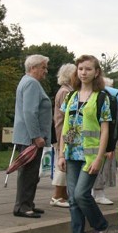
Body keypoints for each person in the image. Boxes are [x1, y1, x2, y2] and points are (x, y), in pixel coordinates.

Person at [58, 55, 112, 233]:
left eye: (88, 69)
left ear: (96, 72)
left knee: (81, 194)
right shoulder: (71, 97)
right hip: (71, 153)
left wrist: (100, 157)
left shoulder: (102, 98)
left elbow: (105, 130)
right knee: (73, 198)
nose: (83, 72)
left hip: (90, 156)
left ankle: (100, 225)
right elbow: (66, 127)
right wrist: (61, 154)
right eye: (80, 68)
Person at [12, 54, 52, 218]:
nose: (46, 71)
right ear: (33, 68)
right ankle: (22, 206)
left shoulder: (26, 81)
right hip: (30, 138)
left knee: (30, 173)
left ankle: (27, 203)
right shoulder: (31, 84)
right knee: (29, 173)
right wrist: (36, 136)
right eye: (43, 67)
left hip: (27, 136)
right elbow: (30, 112)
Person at [50, 63, 76, 209]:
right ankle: (57, 195)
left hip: (65, 131)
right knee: (63, 162)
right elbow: (68, 115)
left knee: (64, 161)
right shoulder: (66, 92)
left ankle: (63, 194)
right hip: (65, 132)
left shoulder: (66, 90)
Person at [92, 77, 118, 205]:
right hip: (98, 139)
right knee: (100, 168)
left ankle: (97, 192)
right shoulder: (106, 99)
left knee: (102, 167)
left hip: (100, 139)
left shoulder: (108, 99)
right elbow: (111, 123)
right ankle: (98, 193)